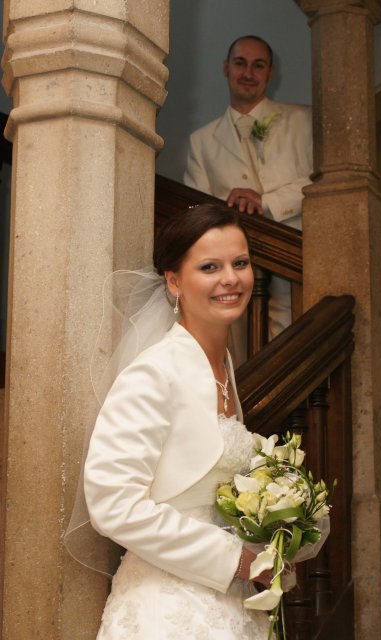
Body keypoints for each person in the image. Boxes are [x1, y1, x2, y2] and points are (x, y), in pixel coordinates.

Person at [78, 204, 275, 639]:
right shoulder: (154, 373)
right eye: (210, 267)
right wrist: (233, 559)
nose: (231, 278)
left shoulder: (222, 366)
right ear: (173, 282)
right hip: (166, 609)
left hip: (229, 603)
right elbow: (113, 505)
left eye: (240, 263)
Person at [184, 35, 313, 339]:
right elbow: (195, 207)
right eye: (240, 63)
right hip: (230, 266)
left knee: (291, 336)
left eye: (259, 65)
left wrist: (265, 202)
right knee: (238, 343)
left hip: (294, 259)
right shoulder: (201, 141)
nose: (248, 73)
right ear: (226, 68)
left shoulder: (303, 120)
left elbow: (320, 183)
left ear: (270, 72)